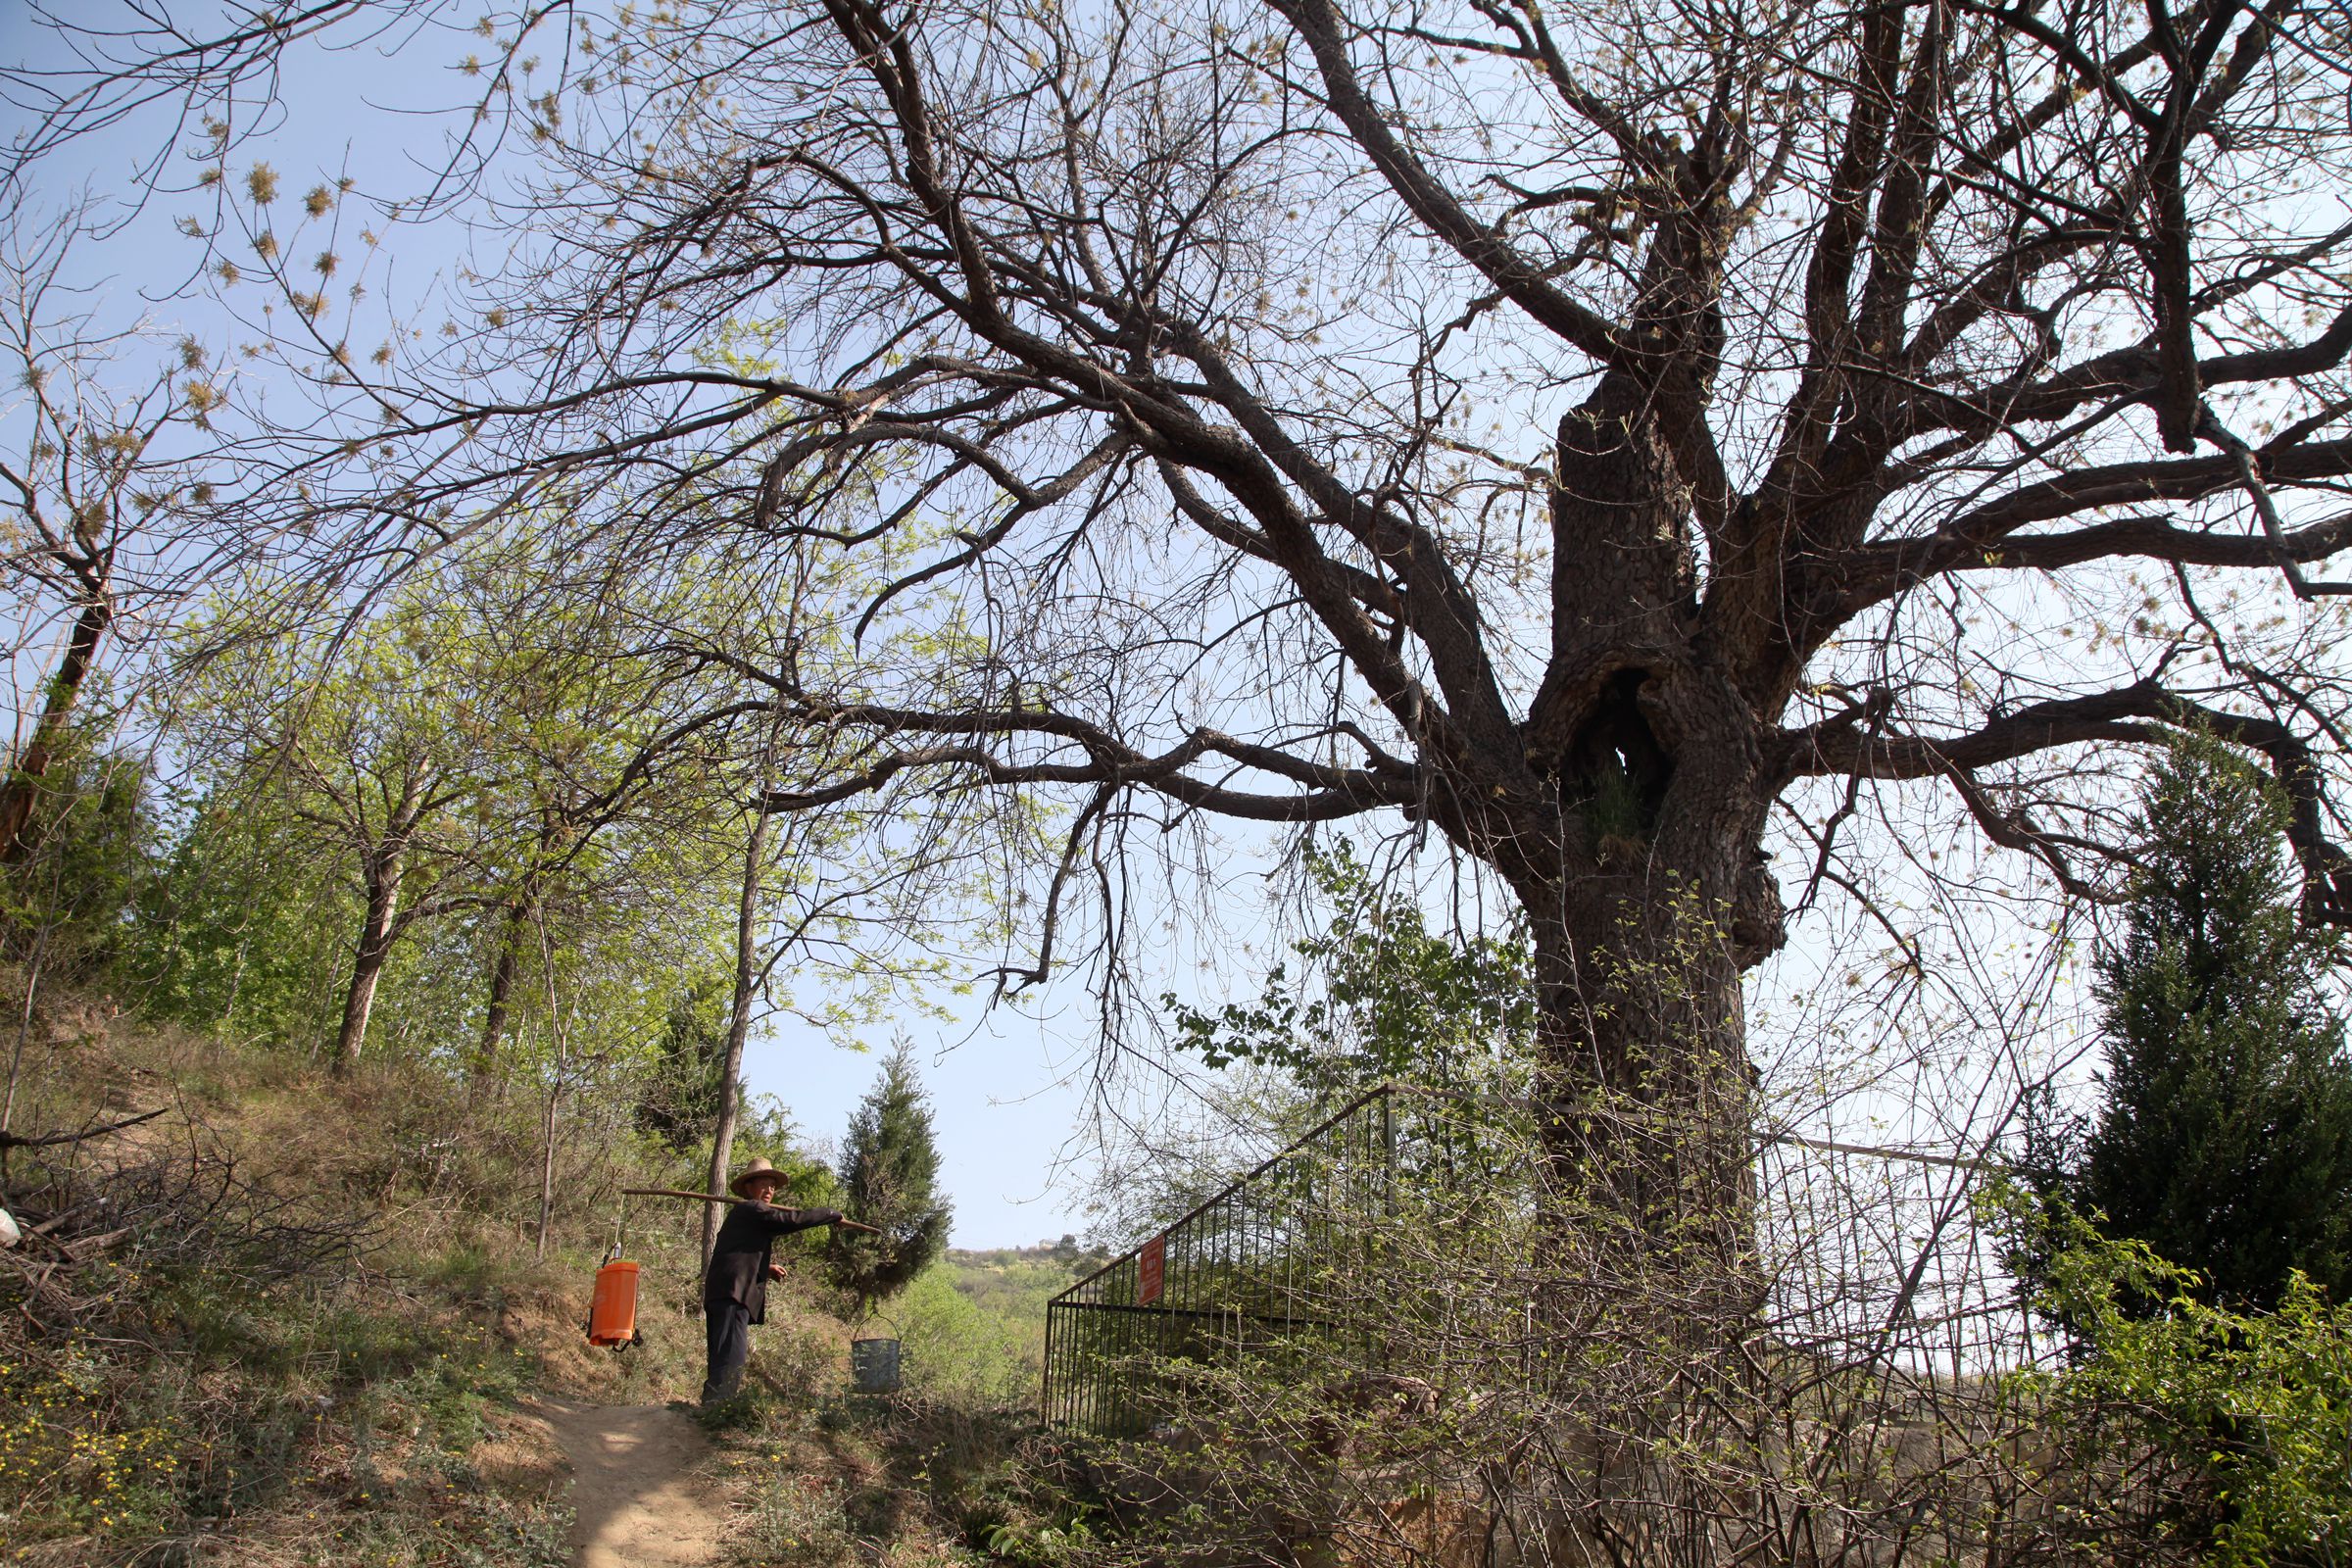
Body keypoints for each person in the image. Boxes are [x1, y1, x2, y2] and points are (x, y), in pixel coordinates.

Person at [701, 1156, 845, 1405]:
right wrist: (830, 1214)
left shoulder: (745, 1216)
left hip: (723, 1292)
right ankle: (718, 1408)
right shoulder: (752, 1209)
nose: (769, 1191)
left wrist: (765, 1269)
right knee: (731, 1354)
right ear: (749, 1188)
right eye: (764, 1185)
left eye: (772, 1187)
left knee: (723, 1350)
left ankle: (712, 1404)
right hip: (732, 1294)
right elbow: (791, 1220)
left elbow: (736, 1253)